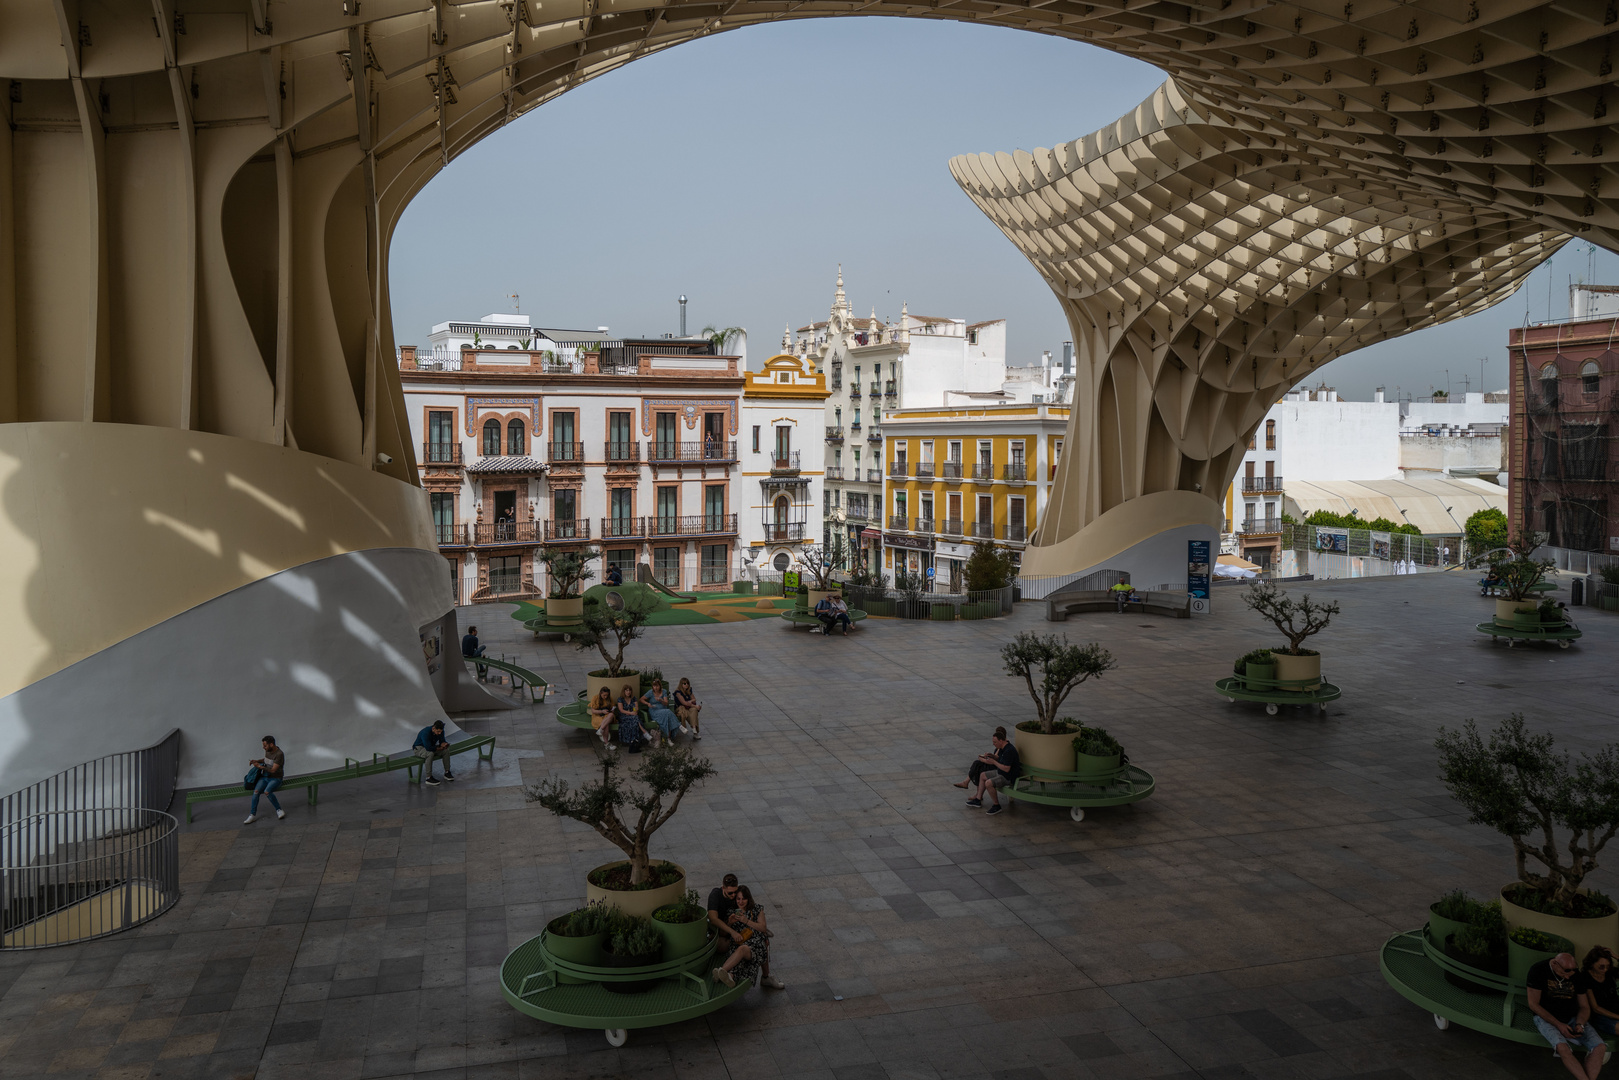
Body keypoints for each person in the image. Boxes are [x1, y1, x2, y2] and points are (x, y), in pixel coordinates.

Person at [1528, 951, 1606, 1079]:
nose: (1569, 976)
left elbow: (1584, 1007)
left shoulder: (1576, 975)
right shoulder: (1538, 970)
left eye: (1572, 972)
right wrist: (1559, 1025)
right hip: (1546, 1018)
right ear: (1554, 963)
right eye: (1565, 972)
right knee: (1563, 1048)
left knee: (1600, 1047)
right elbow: (1533, 1005)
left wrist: (1580, 1023)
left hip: (1573, 1017)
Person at [724, 885, 786, 990]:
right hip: (739, 942)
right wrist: (730, 923)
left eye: (744, 898)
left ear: (748, 898)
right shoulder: (732, 912)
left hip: (755, 943)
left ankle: (722, 971)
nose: (741, 902)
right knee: (740, 952)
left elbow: (763, 927)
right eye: (738, 899)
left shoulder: (756, 909)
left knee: (744, 949)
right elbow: (725, 932)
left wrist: (746, 921)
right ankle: (731, 975)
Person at [966, 726, 1019, 816]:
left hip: (1007, 777)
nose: (994, 744)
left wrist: (993, 762)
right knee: (983, 775)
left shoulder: (1009, 751)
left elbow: (1006, 768)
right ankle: (978, 800)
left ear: (1001, 741)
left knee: (988, 783)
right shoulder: (1003, 747)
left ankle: (996, 805)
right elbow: (999, 758)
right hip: (1001, 772)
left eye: (995, 742)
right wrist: (992, 756)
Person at [244, 735, 285, 824]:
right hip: (265, 777)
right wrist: (257, 761)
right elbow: (266, 760)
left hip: (276, 778)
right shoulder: (268, 751)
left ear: (271, 744)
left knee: (267, 791)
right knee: (256, 792)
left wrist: (259, 767)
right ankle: (252, 815)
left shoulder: (279, 754)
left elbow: (273, 770)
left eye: (265, 745)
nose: (263, 747)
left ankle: (279, 810)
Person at [1583, 948, 1619, 1040]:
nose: (1605, 969)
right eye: (1601, 966)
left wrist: (1616, 956)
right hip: (1601, 1016)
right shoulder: (1585, 977)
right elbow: (1596, 1008)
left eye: (1608, 966)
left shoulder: (1609, 972)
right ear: (1592, 963)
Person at [413, 720, 456, 786]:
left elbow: (442, 740)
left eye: (440, 732)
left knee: (446, 751)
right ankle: (428, 777)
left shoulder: (441, 731)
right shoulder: (426, 732)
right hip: (419, 748)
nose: (439, 733)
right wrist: (439, 748)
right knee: (430, 754)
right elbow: (428, 748)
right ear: (433, 728)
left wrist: (444, 744)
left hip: (430, 747)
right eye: (438, 731)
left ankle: (447, 772)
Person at [615, 686, 650, 752]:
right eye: (627, 690)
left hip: (632, 716)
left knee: (635, 720)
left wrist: (634, 712)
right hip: (623, 716)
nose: (628, 692)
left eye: (629, 690)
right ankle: (644, 733)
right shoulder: (620, 699)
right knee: (636, 719)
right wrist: (630, 713)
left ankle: (633, 744)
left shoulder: (634, 698)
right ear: (624, 691)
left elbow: (636, 708)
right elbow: (621, 710)